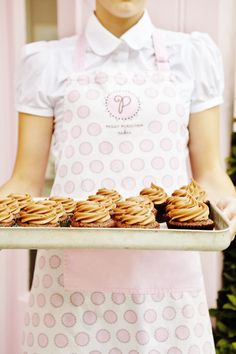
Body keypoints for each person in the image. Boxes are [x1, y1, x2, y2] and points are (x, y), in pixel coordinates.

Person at [1, 0, 236, 352]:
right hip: (69, 298)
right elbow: (24, 182)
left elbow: (210, 174)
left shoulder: (193, 56)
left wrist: (227, 206)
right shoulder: (47, 62)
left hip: (166, 290)